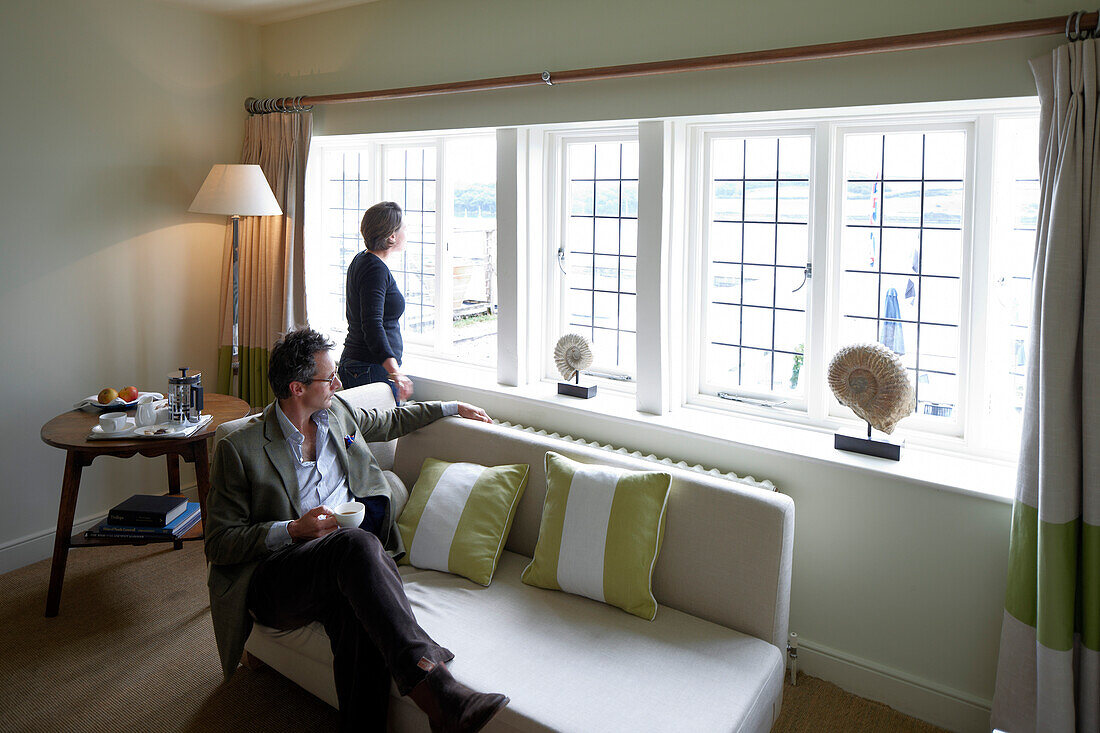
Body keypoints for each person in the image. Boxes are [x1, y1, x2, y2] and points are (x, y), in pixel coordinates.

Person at [205, 327, 508, 732]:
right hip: (276, 575)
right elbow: (220, 543)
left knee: (355, 615)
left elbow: (391, 420)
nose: (339, 383)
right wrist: (292, 529)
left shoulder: (336, 414)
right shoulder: (239, 448)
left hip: (339, 564)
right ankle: (438, 688)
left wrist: (452, 407)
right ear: (296, 388)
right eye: (329, 378)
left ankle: (430, 709)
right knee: (358, 546)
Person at [339, 201, 414, 403]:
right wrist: (394, 371)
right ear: (391, 236)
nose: (407, 232)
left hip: (363, 365)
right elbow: (372, 325)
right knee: (377, 433)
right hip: (369, 367)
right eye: (404, 228)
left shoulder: (363, 260)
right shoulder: (375, 270)